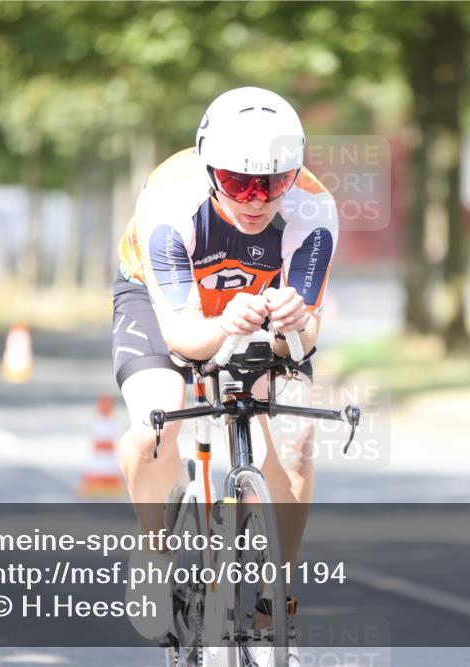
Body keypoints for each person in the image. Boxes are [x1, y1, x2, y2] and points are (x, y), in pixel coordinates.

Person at [111, 87, 337, 663]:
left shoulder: (313, 205)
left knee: (298, 440)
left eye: (274, 182)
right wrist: (222, 326)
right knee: (153, 424)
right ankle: (156, 553)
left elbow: (305, 340)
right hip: (167, 303)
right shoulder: (169, 201)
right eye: (239, 183)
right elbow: (184, 339)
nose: (257, 199)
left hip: (257, 306)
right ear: (210, 168)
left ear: (296, 172)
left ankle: (274, 593)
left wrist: (296, 319)